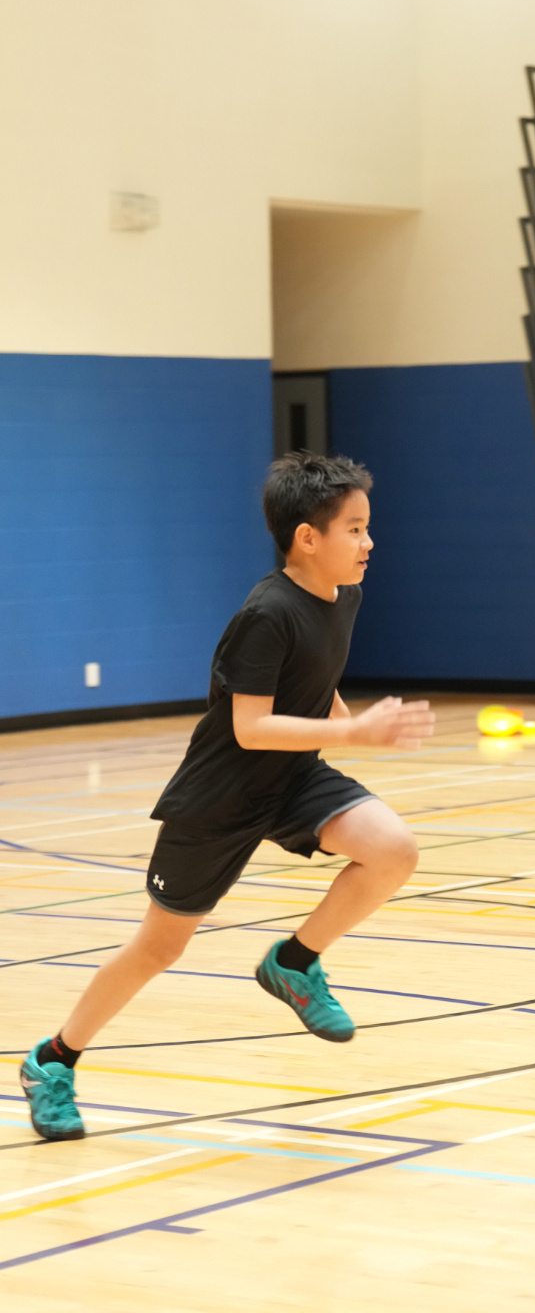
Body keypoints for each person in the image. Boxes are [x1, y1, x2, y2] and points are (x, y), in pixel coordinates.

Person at [21, 452, 434, 1142]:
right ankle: (53, 1060)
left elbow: (316, 676)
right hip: (219, 797)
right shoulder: (267, 613)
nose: (370, 541)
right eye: (355, 529)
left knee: (393, 849)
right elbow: (250, 726)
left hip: (292, 779)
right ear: (308, 538)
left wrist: (348, 719)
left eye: (367, 527)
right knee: (159, 949)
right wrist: (354, 733)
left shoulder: (345, 597)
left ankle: (293, 963)